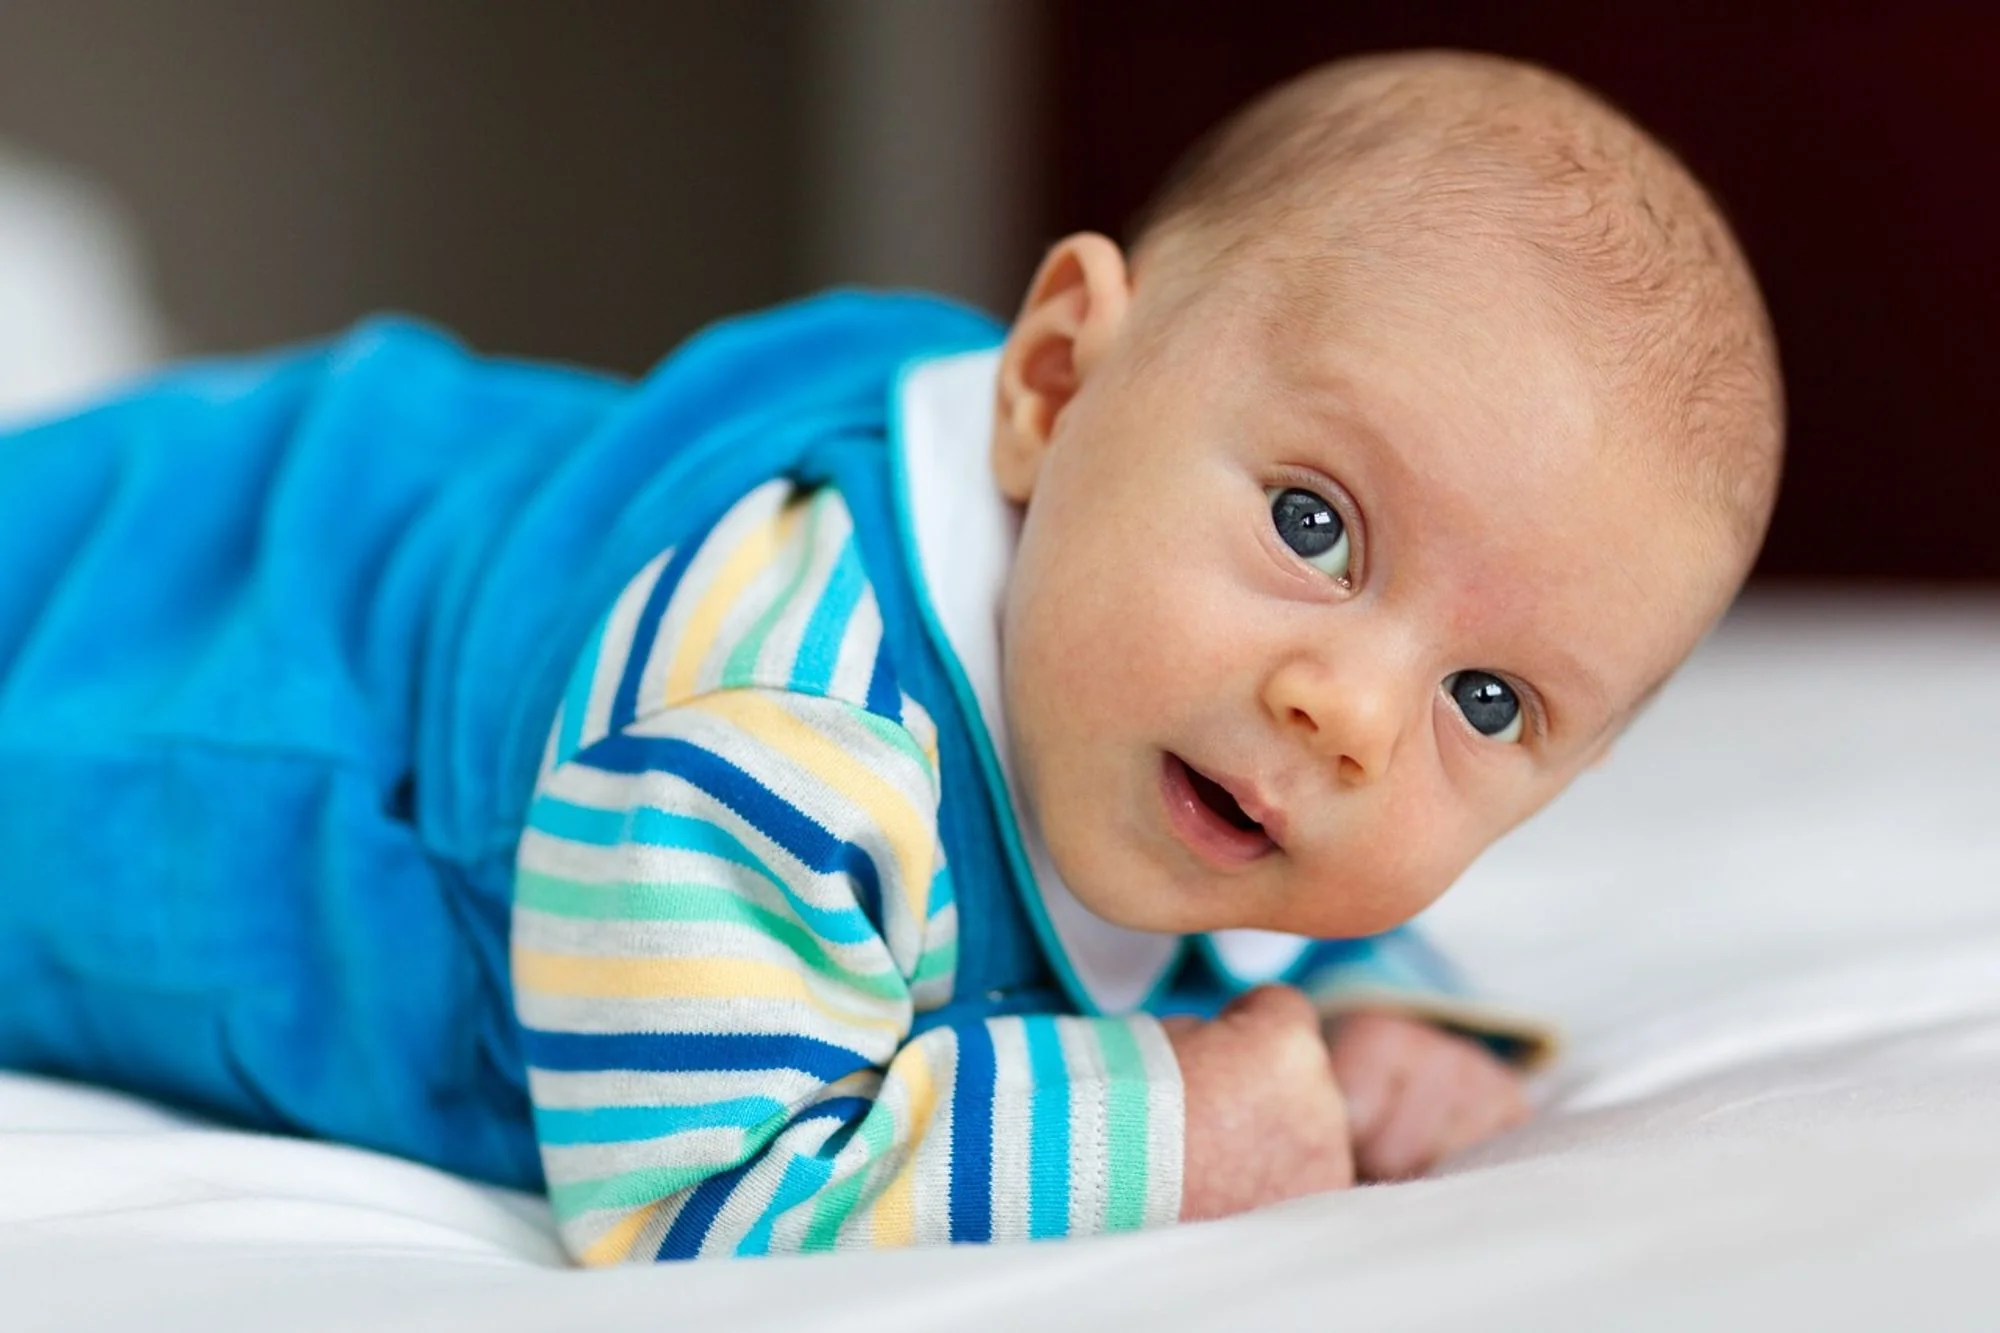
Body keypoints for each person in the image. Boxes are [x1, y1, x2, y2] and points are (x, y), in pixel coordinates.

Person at [0, 51, 1781, 1262]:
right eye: (1315, 526)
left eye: (1493, 703)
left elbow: (1243, 837)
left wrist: (1379, 998)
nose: (1354, 713)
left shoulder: (1166, 615)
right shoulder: (779, 732)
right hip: (153, 654)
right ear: (1057, 382)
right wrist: (1172, 1122)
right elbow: (696, 1186)